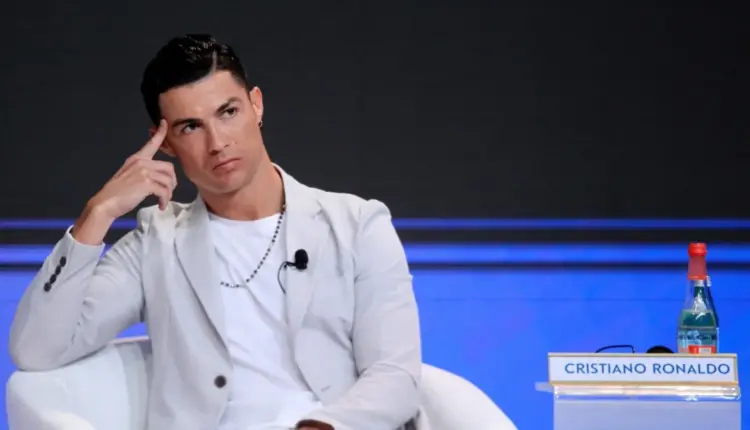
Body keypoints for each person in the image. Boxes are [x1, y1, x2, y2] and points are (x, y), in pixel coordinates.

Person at [9, 34, 424, 430]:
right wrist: (97, 214)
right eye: (190, 127)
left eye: (228, 112)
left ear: (256, 105)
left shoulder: (357, 225)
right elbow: (37, 349)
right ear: (165, 143)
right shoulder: (155, 243)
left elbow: (395, 376)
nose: (217, 142)